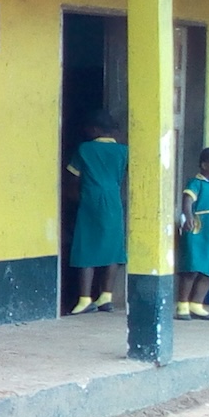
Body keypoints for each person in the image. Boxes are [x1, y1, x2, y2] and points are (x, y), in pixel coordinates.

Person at [65, 111, 128, 315]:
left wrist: (75, 198)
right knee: (113, 248)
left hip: (91, 197)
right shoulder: (123, 151)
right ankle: (106, 297)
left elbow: (73, 178)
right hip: (113, 199)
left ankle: (84, 299)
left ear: (94, 129)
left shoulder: (85, 148)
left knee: (86, 247)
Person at [178, 147, 209, 321]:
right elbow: (188, 200)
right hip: (198, 229)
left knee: (208, 270)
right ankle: (183, 304)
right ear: (204, 165)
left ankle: (197, 304)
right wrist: (189, 215)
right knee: (192, 268)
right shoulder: (196, 183)